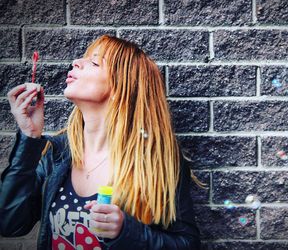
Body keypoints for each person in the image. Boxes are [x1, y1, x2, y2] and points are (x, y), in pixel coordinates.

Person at [0, 35, 201, 249]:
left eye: (94, 62)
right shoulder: (57, 152)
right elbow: (10, 224)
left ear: (120, 89)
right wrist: (29, 139)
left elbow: (187, 243)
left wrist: (127, 231)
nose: (77, 62)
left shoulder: (154, 161)